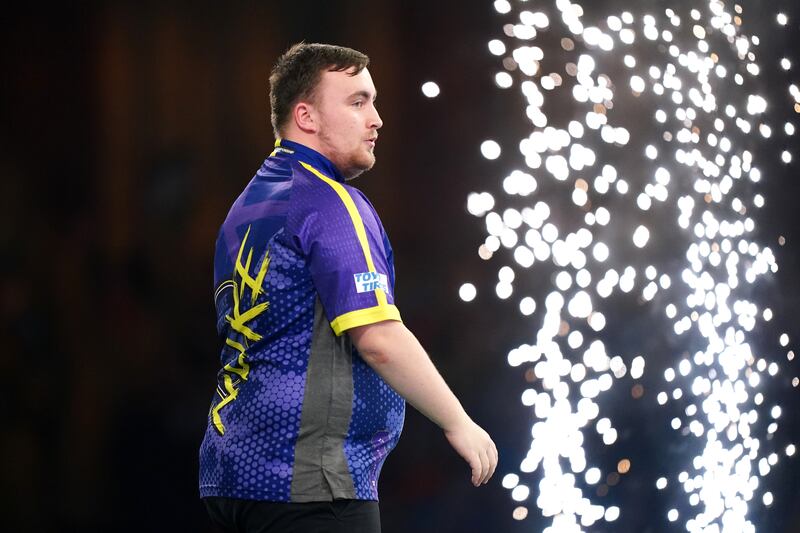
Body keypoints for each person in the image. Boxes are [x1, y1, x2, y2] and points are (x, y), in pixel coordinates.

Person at [198, 42, 497, 533]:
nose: (376, 119)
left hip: (233, 476)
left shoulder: (248, 205)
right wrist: (457, 421)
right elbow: (378, 339)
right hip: (310, 487)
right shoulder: (328, 202)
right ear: (306, 117)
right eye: (357, 102)